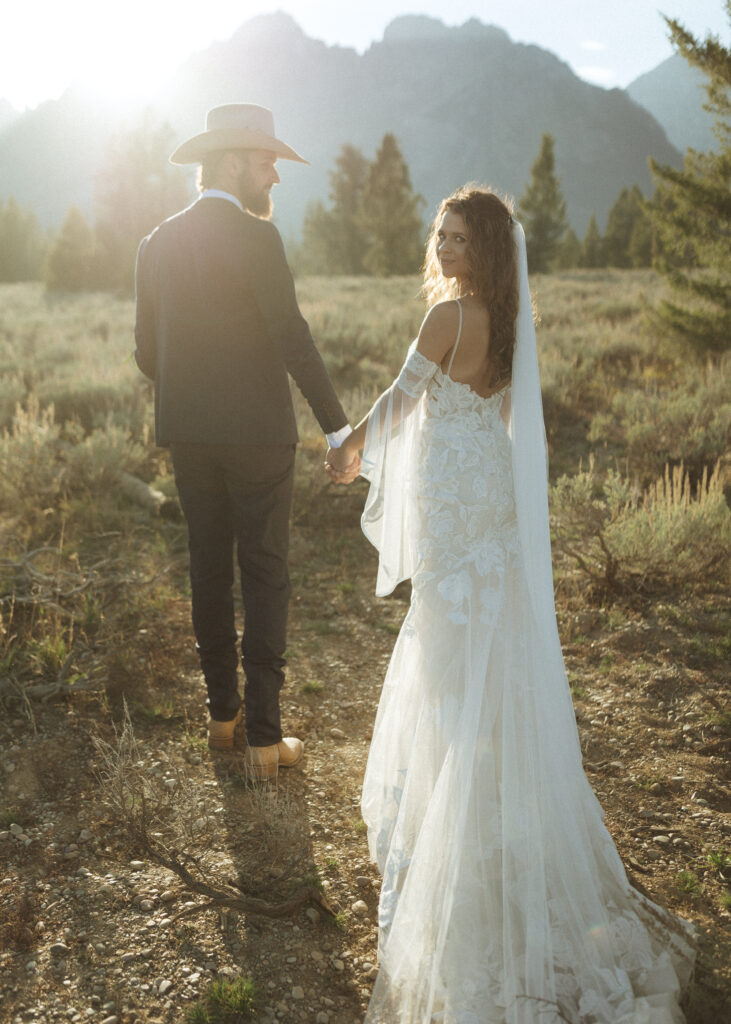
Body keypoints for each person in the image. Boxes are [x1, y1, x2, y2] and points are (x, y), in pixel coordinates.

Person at [328, 187, 695, 1023]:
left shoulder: (445, 321)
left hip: (459, 515)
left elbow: (397, 404)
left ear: (485, 246)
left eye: (459, 238)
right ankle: (489, 830)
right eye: (440, 234)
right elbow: (496, 421)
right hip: (485, 505)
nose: (445, 248)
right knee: (484, 665)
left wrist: (349, 448)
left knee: (454, 677)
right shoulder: (509, 321)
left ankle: (462, 851)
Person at [134, 103, 358, 778]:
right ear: (233, 160)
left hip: (189, 434)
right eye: (267, 164)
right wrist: (339, 429)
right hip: (258, 436)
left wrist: (196, 388)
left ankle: (222, 719)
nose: (275, 179)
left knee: (207, 568)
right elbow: (291, 336)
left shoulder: (155, 243)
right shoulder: (258, 240)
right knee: (264, 573)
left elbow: (149, 355)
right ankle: (264, 741)